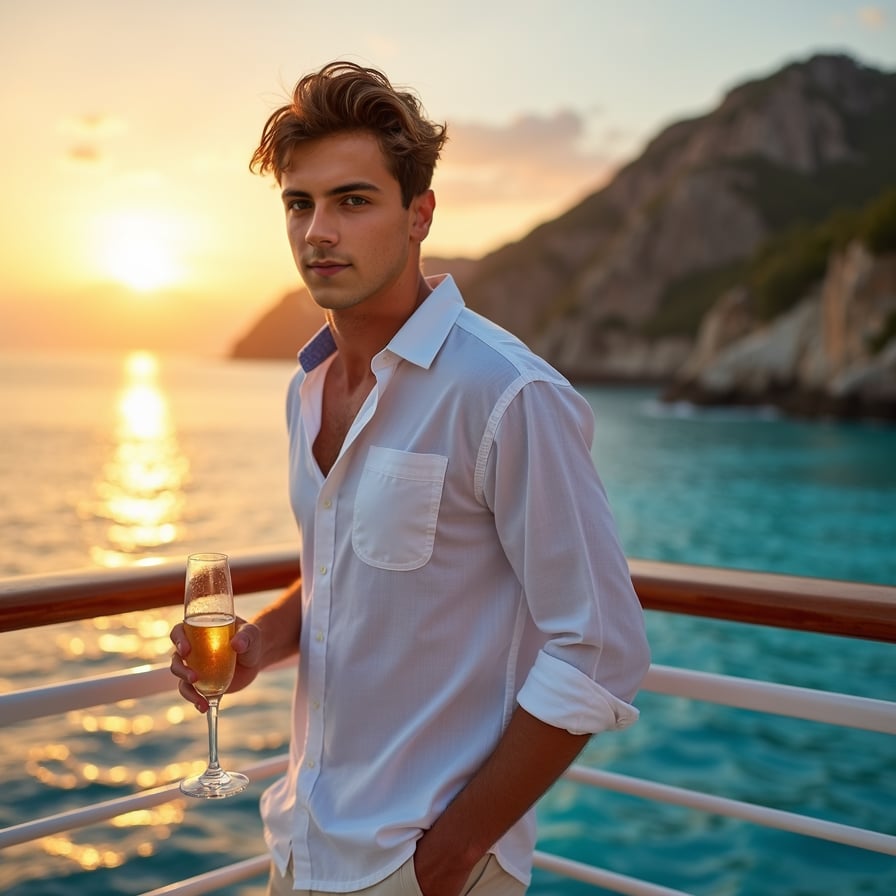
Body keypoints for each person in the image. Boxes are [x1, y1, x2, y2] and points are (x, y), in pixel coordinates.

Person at [170, 60, 650, 896]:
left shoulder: (505, 393)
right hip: (304, 844)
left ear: (419, 213)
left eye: (353, 201)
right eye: (299, 203)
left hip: (422, 865)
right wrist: (258, 644)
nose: (319, 230)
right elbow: (337, 572)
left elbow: (602, 646)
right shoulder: (308, 388)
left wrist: (453, 854)